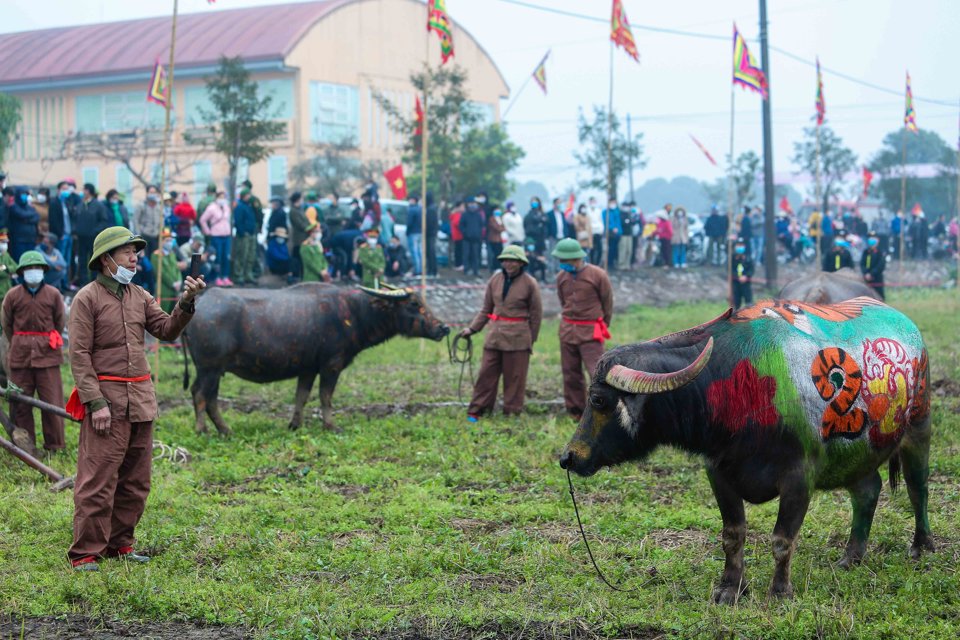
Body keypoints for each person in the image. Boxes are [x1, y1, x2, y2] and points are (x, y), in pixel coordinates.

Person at [66, 226, 204, 571]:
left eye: (136, 252)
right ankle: (85, 552)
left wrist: (186, 302)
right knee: (97, 479)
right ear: (105, 260)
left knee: (136, 480)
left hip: (141, 400)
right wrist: (95, 402)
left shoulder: (141, 295)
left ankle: (120, 545)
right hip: (106, 402)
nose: (135, 257)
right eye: (127, 252)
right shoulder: (87, 298)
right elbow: (79, 355)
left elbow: (167, 330)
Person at [460, 245, 542, 421]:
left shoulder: (530, 283)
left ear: (521, 263)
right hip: (495, 336)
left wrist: (530, 340)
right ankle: (478, 410)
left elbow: (536, 316)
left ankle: (512, 412)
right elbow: (486, 309)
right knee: (486, 374)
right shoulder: (495, 280)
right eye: (505, 260)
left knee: (515, 377)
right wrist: (472, 329)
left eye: (512, 260)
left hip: (519, 338)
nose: (508, 264)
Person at [1, 250, 66, 456]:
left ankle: (55, 446)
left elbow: (60, 320)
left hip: (47, 354)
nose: (33, 272)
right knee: (19, 401)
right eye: (28, 269)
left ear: (43, 270)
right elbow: (7, 324)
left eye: (36, 268)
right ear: (21, 272)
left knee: (52, 401)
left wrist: (43, 339)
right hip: (19, 356)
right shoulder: (12, 295)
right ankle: (24, 447)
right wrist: (20, 341)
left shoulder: (53, 294)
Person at [552, 238, 613, 420]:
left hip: (590, 332)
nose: (562, 264)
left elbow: (607, 303)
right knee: (570, 374)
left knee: (597, 373)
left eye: (565, 260)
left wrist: (603, 323)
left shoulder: (598, 275)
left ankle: (605, 409)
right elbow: (563, 301)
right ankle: (576, 411)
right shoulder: (561, 277)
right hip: (568, 331)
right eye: (560, 260)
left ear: (576, 258)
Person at [74, 184, 111, 286]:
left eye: (84, 190)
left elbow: (103, 221)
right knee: (82, 261)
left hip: (93, 238)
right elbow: (75, 219)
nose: (83, 192)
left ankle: (95, 282)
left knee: (94, 260)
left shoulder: (98, 205)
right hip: (81, 238)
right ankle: (83, 283)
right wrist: (76, 230)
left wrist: (95, 231)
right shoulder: (80, 205)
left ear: (89, 191)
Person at [200, 190, 233, 287]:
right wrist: (207, 231)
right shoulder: (212, 208)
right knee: (217, 257)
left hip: (226, 235)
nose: (222, 199)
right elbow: (203, 220)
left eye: (224, 197)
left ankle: (225, 276)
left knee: (226, 257)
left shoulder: (226, 207)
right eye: (220, 197)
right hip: (216, 236)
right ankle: (217, 277)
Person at [49, 180, 79, 284]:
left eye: (67, 189)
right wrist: (59, 234)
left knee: (67, 261)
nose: (66, 191)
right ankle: (59, 283)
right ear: (58, 190)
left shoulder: (67, 202)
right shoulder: (54, 203)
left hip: (69, 235)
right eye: (64, 189)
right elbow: (53, 220)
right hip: (60, 237)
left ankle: (65, 283)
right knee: (59, 261)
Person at [153, 229, 186, 313]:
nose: (170, 243)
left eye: (171, 240)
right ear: (161, 242)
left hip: (175, 291)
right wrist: (172, 284)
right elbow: (160, 273)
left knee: (173, 315)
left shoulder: (172, 254)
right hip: (164, 291)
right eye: (167, 240)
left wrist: (179, 281)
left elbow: (177, 269)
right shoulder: (156, 255)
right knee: (163, 314)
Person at [232, 189, 257, 286]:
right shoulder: (240, 206)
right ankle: (239, 276)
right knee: (241, 255)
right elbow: (238, 221)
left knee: (250, 255)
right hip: (243, 236)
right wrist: (243, 232)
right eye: (247, 195)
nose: (249, 197)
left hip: (251, 234)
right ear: (243, 196)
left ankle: (248, 275)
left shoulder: (249, 206)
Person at [9, 186, 41, 260]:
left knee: (30, 260)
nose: (25, 196)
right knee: (20, 260)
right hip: (19, 240)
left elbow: (37, 217)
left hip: (31, 239)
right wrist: (30, 215)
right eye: (22, 194)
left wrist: (27, 219)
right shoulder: (14, 207)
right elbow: (21, 214)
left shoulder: (30, 207)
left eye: (26, 194)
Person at [133, 185, 163, 257]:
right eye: (151, 192)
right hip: (144, 235)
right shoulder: (141, 205)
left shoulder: (159, 206)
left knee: (154, 257)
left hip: (155, 236)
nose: (152, 194)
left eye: (154, 192)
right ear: (147, 193)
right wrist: (138, 234)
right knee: (145, 257)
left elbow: (162, 221)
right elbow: (135, 220)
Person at [460, 197, 485, 277]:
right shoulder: (464, 215)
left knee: (475, 255)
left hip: (476, 239)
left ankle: (476, 270)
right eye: (471, 203)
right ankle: (466, 270)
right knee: (466, 255)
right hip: (466, 239)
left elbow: (482, 225)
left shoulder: (478, 215)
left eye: (474, 203)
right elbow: (461, 225)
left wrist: (479, 234)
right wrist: (465, 233)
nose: (473, 205)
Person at [287, 192, 310, 281]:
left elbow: (306, 221)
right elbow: (300, 224)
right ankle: (293, 275)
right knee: (296, 257)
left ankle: (301, 275)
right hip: (298, 238)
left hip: (304, 238)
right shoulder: (293, 211)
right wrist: (308, 228)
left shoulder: (300, 210)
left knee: (301, 258)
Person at [861, 232, 886, 300]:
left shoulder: (880, 252)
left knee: (879, 297)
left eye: (873, 238)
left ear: (878, 240)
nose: (871, 240)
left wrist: (871, 274)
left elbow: (881, 265)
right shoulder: (866, 252)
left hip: (877, 278)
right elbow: (862, 264)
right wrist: (866, 273)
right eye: (870, 238)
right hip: (866, 278)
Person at [731, 237, 753, 310]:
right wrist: (737, 277)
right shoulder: (732, 258)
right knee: (736, 301)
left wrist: (746, 276)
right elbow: (730, 270)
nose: (740, 247)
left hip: (746, 282)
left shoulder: (748, 258)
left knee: (748, 301)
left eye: (741, 245)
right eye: (738, 245)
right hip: (735, 282)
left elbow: (751, 269)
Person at [545, 197, 566, 272]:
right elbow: (547, 226)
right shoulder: (549, 214)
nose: (559, 204)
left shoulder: (562, 214)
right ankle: (551, 270)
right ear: (554, 204)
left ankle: (559, 269)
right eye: (558, 203)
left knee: (560, 254)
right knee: (552, 254)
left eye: (560, 203)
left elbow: (564, 225)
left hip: (561, 237)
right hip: (553, 237)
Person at [601, 198, 622, 270]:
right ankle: (608, 263)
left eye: (614, 202)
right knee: (610, 249)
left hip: (617, 233)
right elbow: (605, 222)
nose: (613, 204)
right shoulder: (605, 212)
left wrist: (619, 230)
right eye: (612, 202)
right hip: (609, 233)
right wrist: (612, 228)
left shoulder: (616, 211)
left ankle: (613, 263)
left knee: (615, 249)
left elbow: (618, 222)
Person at [405, 194, 423, 276]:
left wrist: (407, 231)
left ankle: (417, 270)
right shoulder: (420, 209)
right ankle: (421, 269)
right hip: (420, 232)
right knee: (419, 252)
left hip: (413, 233)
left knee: (414, 252)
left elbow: (409, 223)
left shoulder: (411, 210)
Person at [0, 232, 20, 305]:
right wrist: (9, 273)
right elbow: (1, 273)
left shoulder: (6, 254)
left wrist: (6, 268)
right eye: (2, 242)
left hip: (7, 290)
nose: (4, 245)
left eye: (5, 242)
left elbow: (16, 267)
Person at [486, 206, 506, 273]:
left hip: (500, 239)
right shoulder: (491, 219)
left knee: (500, 253)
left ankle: (499, 267)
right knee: (495, 254)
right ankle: (494, 267)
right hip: (493, 239)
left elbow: (504, 227)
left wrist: (501, 228)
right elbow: (497, 228)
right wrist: (501, 228)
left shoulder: (500, 218)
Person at [586, 197, 604, 265]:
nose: (593, 203)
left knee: (600, 249)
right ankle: (592, 263)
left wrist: (601, 230)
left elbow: (601, 221)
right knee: (592, 249)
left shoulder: (599, 210)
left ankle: (597, 263)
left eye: (594, 201)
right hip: (591, 232)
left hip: (598, 232)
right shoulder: (587, 211)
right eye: (592, 201)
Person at [425, 193, 439, 277]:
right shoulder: (432, 208)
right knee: (431, 252)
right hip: (432, 233)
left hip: (430, 234)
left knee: (430, 252)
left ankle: (432, 270)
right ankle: (432, 269)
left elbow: (430, 223)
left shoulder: (431, 209)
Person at [449, 201, 464, 270]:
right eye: (462, 206)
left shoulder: (454, 214)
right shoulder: (457, 215)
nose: (463, 208)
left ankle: (458, 264)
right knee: (459, 251)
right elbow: (457, 224)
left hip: (455, 235)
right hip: (459, 235)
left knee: (457, 250)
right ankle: (459, 264)